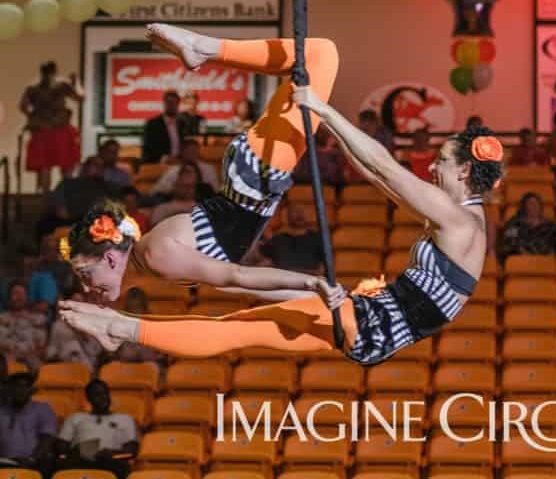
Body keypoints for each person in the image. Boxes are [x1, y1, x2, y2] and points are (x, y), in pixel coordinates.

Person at [58, 27, 503, 365]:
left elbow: (385, 167)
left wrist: (324, 110)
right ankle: (123, 328)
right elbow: (379, 176)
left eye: (442, 161)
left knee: (322, 53)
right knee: (238, 331)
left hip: (360, 310)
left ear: (464, 171)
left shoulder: (459, 220)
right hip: (368, 327)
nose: (431, 166)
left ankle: (205, 48)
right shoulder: (460, 221)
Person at [57, 24, 343, 308]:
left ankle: (206, 48)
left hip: (257, 173)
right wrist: (316, 299)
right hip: (255, 175)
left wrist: (310, 283)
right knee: (309, 62)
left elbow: (237, 276)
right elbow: (234, 284)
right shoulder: (152, 264)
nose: (85, 287)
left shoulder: (155, 256)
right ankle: (205, 48)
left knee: (321, 54)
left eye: (85, 274)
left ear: (109, 258)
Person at [20, 61, 83, 193]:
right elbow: (23, 106)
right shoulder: (34, 89)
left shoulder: (61, 87)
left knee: (65, 164)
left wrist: (75, 82)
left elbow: (80, 98)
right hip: (46, 130)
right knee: (45, 166)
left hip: (60, 129)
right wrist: (33, 117)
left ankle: (64, 194)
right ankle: (47, 195)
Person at [57, 379, 139, 479]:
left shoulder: (125, 419)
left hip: (110, 460)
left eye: (105, 393)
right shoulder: (75, 418)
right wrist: (80, 450)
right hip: (79, 459)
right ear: (88, 398)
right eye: (97, 395)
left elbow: (131, 450)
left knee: (121, 466)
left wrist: (110, 453)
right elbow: (60, 446)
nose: (103, 398)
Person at [36, 156, 116, 239]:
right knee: (45, 225)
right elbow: (61, 210)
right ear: (85, 167)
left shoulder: (107, 188)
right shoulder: (67, 183)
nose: (99, 168)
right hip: (67, 220)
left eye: (102, 166)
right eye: (95, 165)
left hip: (94, 221)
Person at [0, 373, 57, 473]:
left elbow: (47, 438)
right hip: (5, 462)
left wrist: (32, 459)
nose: (21, 391)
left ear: (31, 390)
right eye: (16, 386)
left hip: (35, 462)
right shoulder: (2, 411)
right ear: (10, 390)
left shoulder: (42, 408)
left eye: (25, 387)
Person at [256, 204, 324, 274]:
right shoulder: (279, 239)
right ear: (287, 216)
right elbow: (262, 261)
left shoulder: (318, 239)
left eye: (302, 211)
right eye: (294, 211)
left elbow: (321, 270)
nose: (299, 214)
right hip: (279, 281)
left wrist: (292, 272)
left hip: (308, 281)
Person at [45, 287, 102, 371]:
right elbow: (51, 349)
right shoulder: (58, 325)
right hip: (63, 365)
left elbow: (96, 351)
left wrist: (84, 335)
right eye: (75, 302)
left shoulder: (92, 325)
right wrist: (55, 355)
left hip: (86, 366)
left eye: (80, 302)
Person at [0, 281, 48, 372]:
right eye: (15, 293)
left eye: (22, 293)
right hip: (5, 363)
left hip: (32, 363)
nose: (19, 297)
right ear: (9, 297)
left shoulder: (39, 319)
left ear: (27, 297)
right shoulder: (1, 318)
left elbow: (43, 348)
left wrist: (26, 355)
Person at [112, 288, 166, 366]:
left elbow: (163, 353)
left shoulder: (155, 323)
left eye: (137, 307)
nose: (134, 311)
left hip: (151, 364)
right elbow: (113, 352)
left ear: (144, 307)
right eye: (131, 308)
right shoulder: (118, 324)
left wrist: (155, 356)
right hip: (124, 365)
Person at [150, 138, 219, 195]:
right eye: (189, 151)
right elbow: (155, 190)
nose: (192, 154)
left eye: (194, 151)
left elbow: (215, 190)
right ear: (183, 153)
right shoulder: (174, 170)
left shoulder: (209, 169)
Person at [499, 192, 556, 259]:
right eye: (531, 203)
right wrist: (522, 251)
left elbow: (554, 245)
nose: (534, 206)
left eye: (536, 203)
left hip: (544, 259)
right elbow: (509, 241)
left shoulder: (550, 225)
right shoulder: (514, 223)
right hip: (520, 258)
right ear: (524, 206)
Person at [141, 90, 190, 164]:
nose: (171, 105)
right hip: (159, 164)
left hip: (180, 163)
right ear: (164, 103)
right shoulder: (153, 124)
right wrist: (165, 159)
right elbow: (148, 148)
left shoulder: (183, 123)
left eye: (174, 103)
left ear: (178, 104)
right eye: (168, 102)